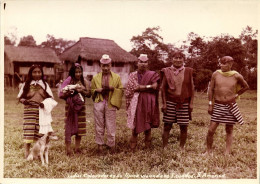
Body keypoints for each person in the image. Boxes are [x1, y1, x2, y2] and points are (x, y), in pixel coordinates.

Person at [206, 56, 249, 155]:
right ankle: (208, 151)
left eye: (225, 63)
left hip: (230, 105)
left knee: (229, 129)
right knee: (211, 130)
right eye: (221, 63)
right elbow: (211, 89)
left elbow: (246, 86)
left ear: (230, 64)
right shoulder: (216, 74)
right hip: (218, 105)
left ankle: (227, 152)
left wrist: (237, 94)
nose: (222, 65)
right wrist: (210, 104)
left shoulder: (236, 75)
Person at [17, 64, 55, 158]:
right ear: (31, 73)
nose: (37, 74)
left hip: (42, 112)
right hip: (29, 112)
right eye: (34, 72)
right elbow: (20, 97)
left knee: (41, 132)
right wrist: (23, 101)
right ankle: (27, 153)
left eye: (39, 72)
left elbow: (51, 98)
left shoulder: (45, 85)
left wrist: (44, 104)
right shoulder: (26, 85)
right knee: (28, 131)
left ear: (42, 73)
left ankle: (39, 153)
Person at [125, 54, 160, 151]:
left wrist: (142, 87)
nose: (143, 64)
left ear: (148, 63)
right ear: (137, 63)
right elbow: (133, 88)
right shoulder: (132, 75)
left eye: (145, 62)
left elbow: (155, 86)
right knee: (135, 127)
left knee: (148, 126)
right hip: (136, 103)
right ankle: (132, 148)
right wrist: (147, 87)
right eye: (141, 61)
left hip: (149, 103)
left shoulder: (153, 74)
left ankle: (147, 149)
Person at [161, 51, 194, 151]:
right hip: (170, 101)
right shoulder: (167, 71)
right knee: (167, 125)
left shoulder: (188, 71)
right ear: (172, 59)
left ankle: (181, 147)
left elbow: (192, 88)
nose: (178, 60)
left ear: (184, 59)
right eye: (176, 57)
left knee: (183, 126)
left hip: (184, 102)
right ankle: (165, 147)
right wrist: (164, 103)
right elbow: (163, 88)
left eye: (180, 58)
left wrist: (191, 103)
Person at [91, 54, 123, 154]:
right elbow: (91, 90)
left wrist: (113, 89)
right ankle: (99, 146)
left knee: (111, 125)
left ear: (111, 65)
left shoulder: (117, 77)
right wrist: (97, 90)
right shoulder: (95, 78)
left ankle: (111, 146)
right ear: (100, 65)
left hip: (111, 102)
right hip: (99, 102)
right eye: (103, 65)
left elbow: (121, 90)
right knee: (99, 125)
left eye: (107, 65)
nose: (105, 68)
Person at [59, 63, 91, 156]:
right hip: (70, 107)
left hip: (81, 107)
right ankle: (68, 150)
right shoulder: (68, 80)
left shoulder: (83, 81)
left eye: (80, 72)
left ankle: (77, 148)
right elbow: (61, 94)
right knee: (69, 126)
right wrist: (73, 91)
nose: (78, 74)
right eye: (76, 72)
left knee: (80, 128)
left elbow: (89, 94)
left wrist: (82, 91)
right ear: (72, 72)